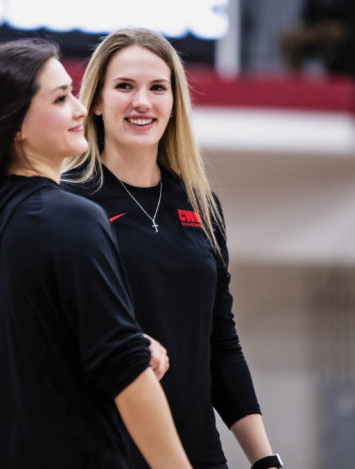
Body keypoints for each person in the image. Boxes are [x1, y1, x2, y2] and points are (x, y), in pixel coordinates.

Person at [0, 39, 191, 469]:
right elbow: (128, 374)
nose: (80, 109)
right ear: (18, 127)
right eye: (62, 98)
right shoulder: (71, 219)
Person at [62, 28, 283, 469]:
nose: (142, 101)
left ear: (174, 104)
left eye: (157, 88)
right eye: (125, 86)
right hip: (103, 453)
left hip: (198, 455)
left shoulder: (201, 204)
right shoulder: (67, 204)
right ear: (98, 102)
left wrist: (265, 461)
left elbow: (220, 343)